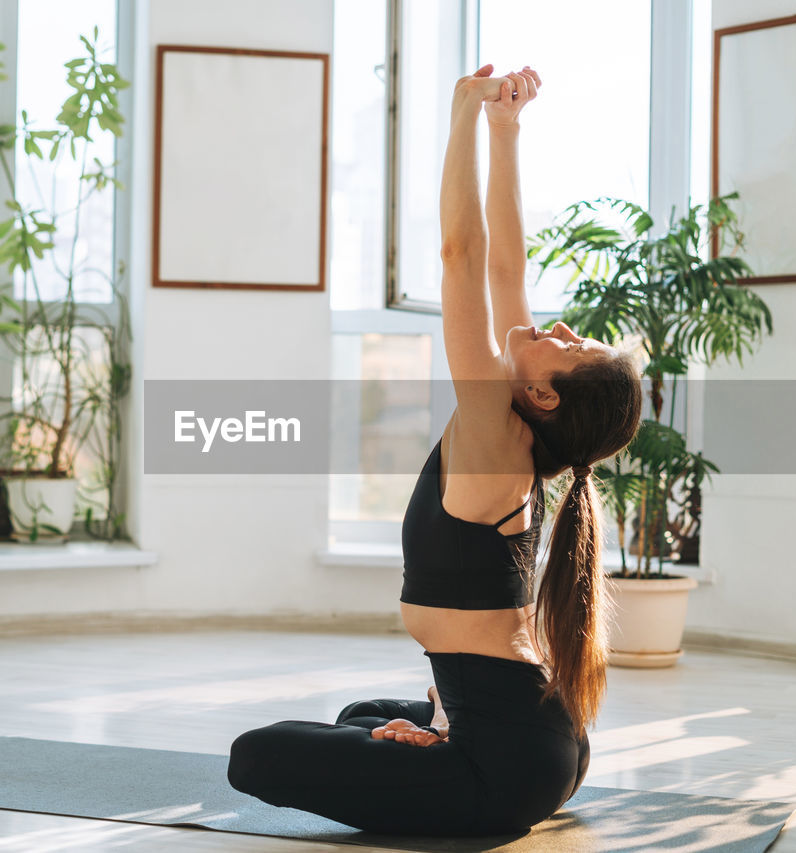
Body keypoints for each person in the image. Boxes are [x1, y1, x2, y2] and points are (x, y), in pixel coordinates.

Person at [227, 63, 643, 837]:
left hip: (504, 770)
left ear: (546, 394)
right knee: (359, 716)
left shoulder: (495, 430)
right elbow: (506, 267)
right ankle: (441, 731)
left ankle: (444, 744)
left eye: (570, 345)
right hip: (539, 739)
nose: (557, 329)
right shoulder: (520, 439)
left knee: (254, 756)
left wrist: (460, 114)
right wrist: (505, 132)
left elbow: (462, 257)